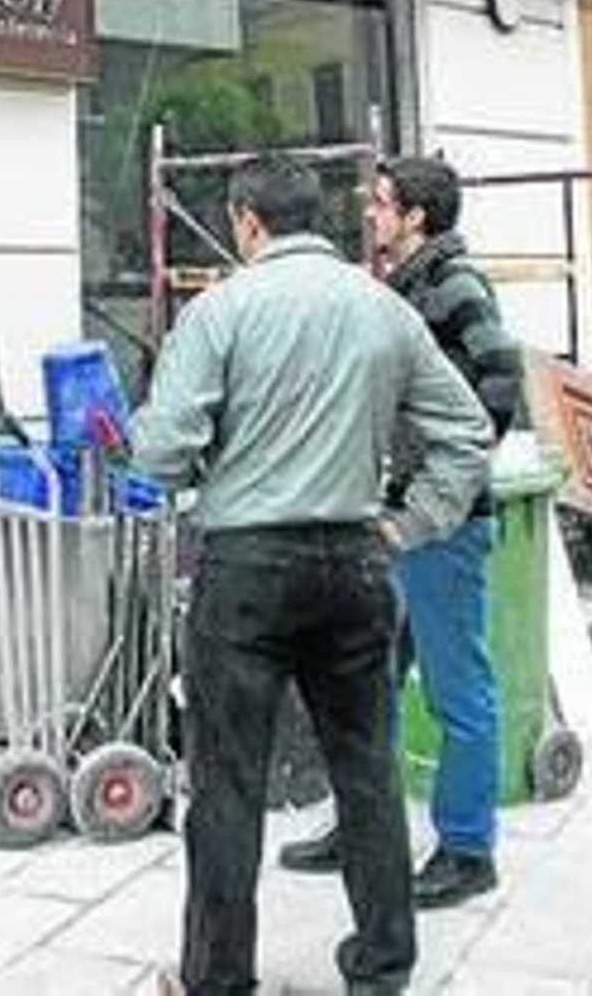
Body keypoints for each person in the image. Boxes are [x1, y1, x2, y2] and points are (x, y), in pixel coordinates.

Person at [131, 154, 493, 996]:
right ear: (316, 218)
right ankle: (383, 967)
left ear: (246, 221)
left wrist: (200, 456)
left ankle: (218, 979)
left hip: (246, 570)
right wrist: (413, 523)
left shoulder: (219, 311)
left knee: (227, 785)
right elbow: (468, 430)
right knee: (367, 772)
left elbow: (161, 452)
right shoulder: (385, 309)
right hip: (355, 562)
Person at [282, 154, 524, 908]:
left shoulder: (455, 284)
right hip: (394, 520)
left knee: (458, 689)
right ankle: (363, 826)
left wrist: (441, 485)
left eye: (382, 202)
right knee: (368, 682)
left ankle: (468, 849)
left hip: (441, 525)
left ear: (416, 215)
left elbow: (502, 380)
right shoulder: (404, 286)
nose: (370, 213)